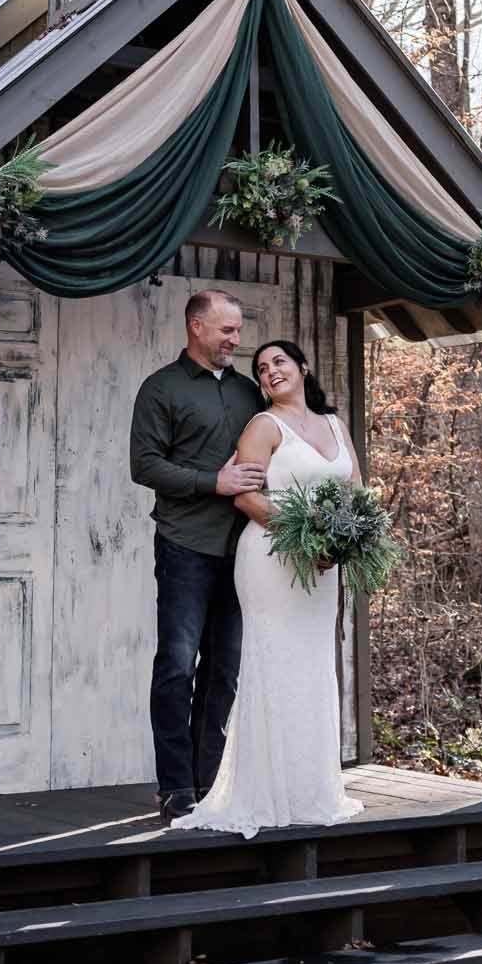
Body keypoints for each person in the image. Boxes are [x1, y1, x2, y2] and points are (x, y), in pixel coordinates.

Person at [176, 338, 364, 838]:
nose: (270, 371)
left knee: (313, 667)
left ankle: (312, 789)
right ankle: (267, 791)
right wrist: (303, 533)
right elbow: (244, 496)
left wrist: (340, 543)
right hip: (271, 559)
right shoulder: (263, 426)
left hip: (323, 568)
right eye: (261, 368)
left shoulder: (335, 425)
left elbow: (357, 494)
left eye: (279, 361)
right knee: (274, 665)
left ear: (303, 366)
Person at [130, 290, 266, 825]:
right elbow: (144, 465)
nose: (236, 339)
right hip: (185, 544)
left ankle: (209, 784)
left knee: (224, 673)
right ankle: (175, 787)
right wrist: (215, 481)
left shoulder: (247, 392)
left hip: (244, 552)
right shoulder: (160, 388)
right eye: (226, 330)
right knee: (177, 666)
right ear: (196, 327)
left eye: (237, 329)